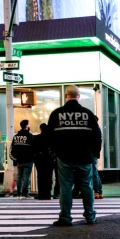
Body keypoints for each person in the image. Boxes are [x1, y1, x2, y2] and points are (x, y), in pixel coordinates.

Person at [47, 85, 102, 226]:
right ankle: (90, 216)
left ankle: (65, 217)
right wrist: (95, 153)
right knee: (86, 186)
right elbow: (97, 136)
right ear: (78, 96)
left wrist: (55, 152)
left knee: (65, 186)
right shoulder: (87, 113)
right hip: (84, 156)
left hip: (64, 156)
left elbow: (50, 136)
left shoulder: (56, 114)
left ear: (66, 96)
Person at [32, 123, 57, 200]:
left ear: (40, 129)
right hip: (49, 158)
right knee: (49, 176)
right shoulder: (52, 138)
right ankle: (48, 193)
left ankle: (41, 194)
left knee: (41, 176)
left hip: (40, 158)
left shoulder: (36, 138)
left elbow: (33, 149)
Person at [10, 119, 34, 199]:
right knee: (26, 176)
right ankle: (24, 193)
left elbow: (12, 148)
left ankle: (18, 193)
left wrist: (15, 158)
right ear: (26, 126)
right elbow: (33, 148)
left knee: (19, 176)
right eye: (29, 124)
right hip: (28, 159)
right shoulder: (29, 136)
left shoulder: (16, 136)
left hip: (18, 160)